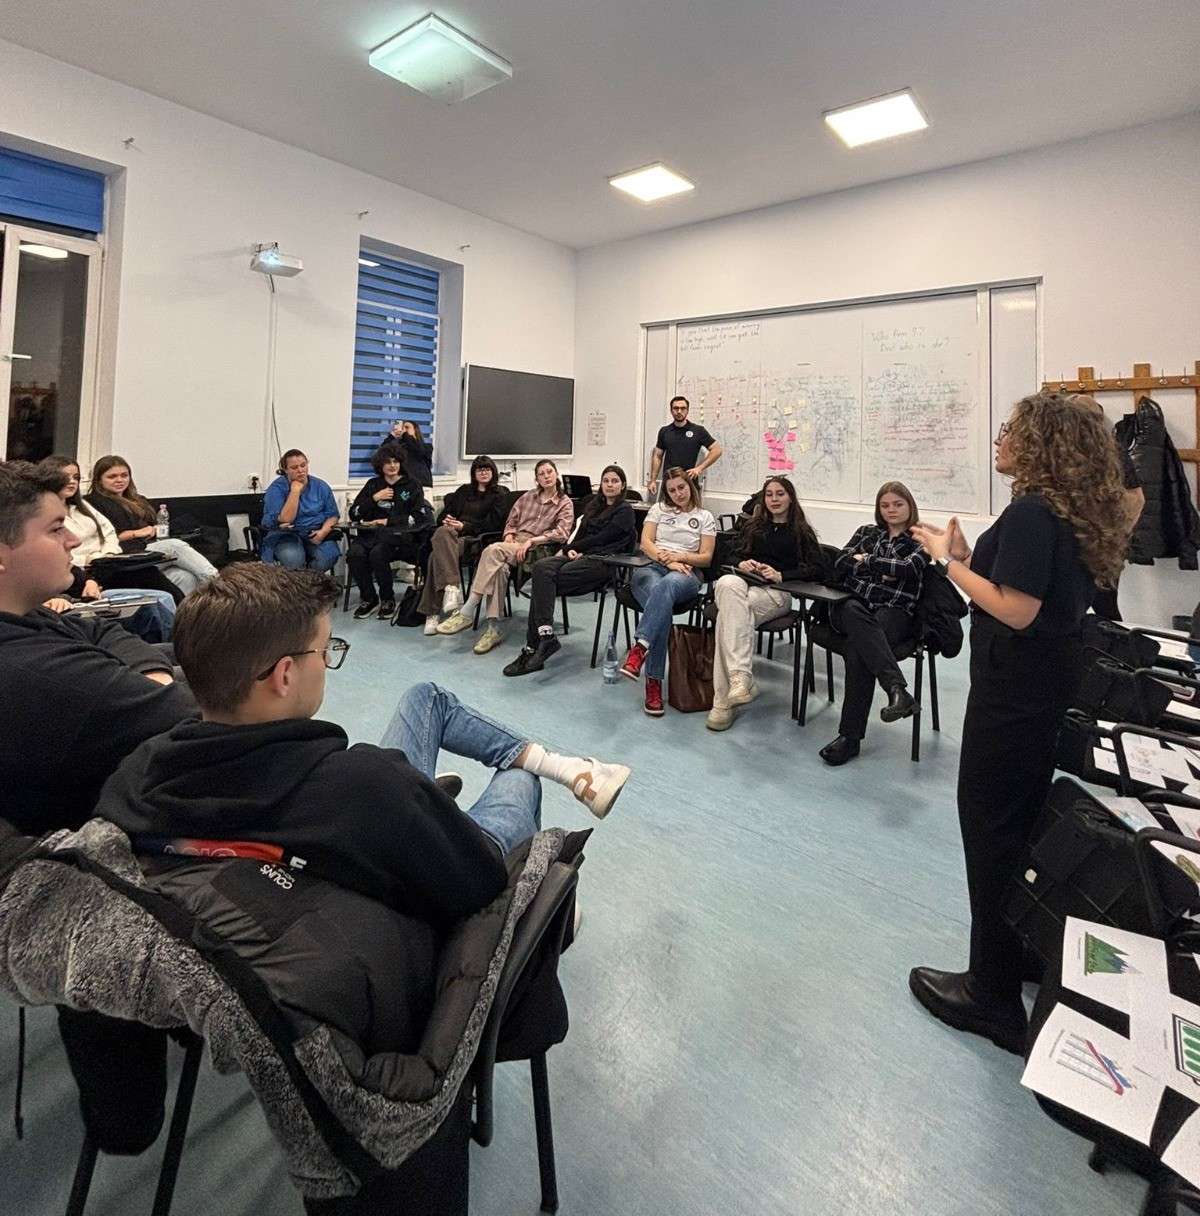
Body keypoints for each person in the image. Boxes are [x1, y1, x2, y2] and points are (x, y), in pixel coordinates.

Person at [95, 563, 632, 922]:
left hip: (311, 858)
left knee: (425, 698)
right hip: (418, 866)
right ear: (285, 675)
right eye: (324, 650)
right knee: (519, 778)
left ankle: (556, 772)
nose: (328, 662)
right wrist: (415, 803)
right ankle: (550, 832)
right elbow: (477, 885)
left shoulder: (137, 776)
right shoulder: (365, 784)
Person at [908, 392, 1129, 1054]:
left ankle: (991, 995)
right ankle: (1020, 948)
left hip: (1013, 692)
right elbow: (1021, 589)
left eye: (1011, 429)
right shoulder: (1063, 510)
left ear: (1041, 441)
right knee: (1020, 820)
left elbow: (1016, 609)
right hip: (1042, 683)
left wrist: (948, 563)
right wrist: (967, 556)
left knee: (990, 826)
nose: (1000, 438)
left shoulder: (1033, 511)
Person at [0, 460, 194, 837]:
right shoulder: (42, 669)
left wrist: (151, 674)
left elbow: (99, 629)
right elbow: (191, 715)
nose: (72, 540)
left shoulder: (27, 614)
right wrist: (155, 686)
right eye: (56, 528)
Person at [817, 481, 927, 766]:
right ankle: (896, 690)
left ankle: (850, 739)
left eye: (898, 504)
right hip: (855, 606)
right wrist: (882, 572)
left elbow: (910, 568)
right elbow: (840, 561)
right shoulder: (867, 532)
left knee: (859, 651)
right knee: (852, 610)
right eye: (885, 505)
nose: (891, 510)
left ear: (909, 506)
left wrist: (866, 560)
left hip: (895, 610)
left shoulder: (921, 539)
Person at [706, 477, 825, 730]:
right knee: (727, 583)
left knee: (728, 618)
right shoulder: (753, 526)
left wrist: (781, 575)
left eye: (780, 494)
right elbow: (728, 555)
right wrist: (742, 563)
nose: (774, 499)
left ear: (790, 497)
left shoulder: (801, 532)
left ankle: (723, 703)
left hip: (776, 593)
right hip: (744, 585)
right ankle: (740, 678)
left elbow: (818, 570)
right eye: (769, 494)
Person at [503, 465, 638, 677]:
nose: (610, 485)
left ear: (622, 486)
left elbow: (604, 538)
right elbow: (581, 534)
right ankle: (545, 638)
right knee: (540, 568)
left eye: (615, 481)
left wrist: (571, 549)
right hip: (580, 556)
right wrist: (572, 549)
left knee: (542, 584)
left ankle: (534, 646)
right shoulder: (594, 506)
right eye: (606, 481)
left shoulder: (625, 511)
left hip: (603, 561)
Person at [437, 459, 573, 655]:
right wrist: (509, 535)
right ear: (536, 478)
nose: (546, 476)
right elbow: (511, 521)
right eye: (541, 474)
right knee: (499, 569)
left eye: (549, 472)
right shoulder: (528, 497)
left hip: (538, 549)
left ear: (556, 474)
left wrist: (531, 541)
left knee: (492, 551)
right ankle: (493, 630)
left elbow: (562, 533)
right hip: (514, 544)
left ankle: (468, 609)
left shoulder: (564, 503)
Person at [40, 455, 180, 638]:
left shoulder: (82, 507)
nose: (72, 482)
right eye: (66, 477)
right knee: (160, 568)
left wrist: (108, 554)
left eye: (76, 477)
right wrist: (88, 560)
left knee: (181, 576)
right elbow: (56, 555)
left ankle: (190, 627)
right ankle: (191, 628)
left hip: (106, 563)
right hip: (86, 570)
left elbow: (109, 532)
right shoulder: (45, 514)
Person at [620, 468, 716, 716]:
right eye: (672, 490)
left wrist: (679, 558)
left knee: (667, 586)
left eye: (681, 487)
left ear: (690, 486)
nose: (678, 494)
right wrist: (668, 561)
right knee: (660, 601)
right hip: (650, 567)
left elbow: (706, 557)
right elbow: (646, 544)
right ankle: (652, 681)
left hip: (686, 574)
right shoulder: (658, 509)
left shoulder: (704, 516)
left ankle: (640, 648)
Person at [85, 455, 218, 595]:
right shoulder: (93, 502)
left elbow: (155, 524)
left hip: (151, 547)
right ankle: (219, 584)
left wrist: (155, 529)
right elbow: (105, 538)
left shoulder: (138, 500)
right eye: (112, 477)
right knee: (174, 546)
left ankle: (187, 608)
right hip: (124, 554)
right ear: (99, 480)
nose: (119, 480)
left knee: (185, 577)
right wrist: (136, 533)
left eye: (124, 475)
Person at [418, 455, 508, 634]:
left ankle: (433, 612)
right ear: (474, 473)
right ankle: (451, 588)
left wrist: (464, 526)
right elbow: (442, 516)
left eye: (487, 469)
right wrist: (447, 520)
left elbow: (495, 524)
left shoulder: (499, 494)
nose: (483, 473)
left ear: (493, 472)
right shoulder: (463, 491)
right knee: (442, 532)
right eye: (479, 470)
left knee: (435, 556)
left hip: (477, 539)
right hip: (452, 535)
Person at [346, 446, 432, 619]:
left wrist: (387, 521)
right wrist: (374, 499)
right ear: (381, 465)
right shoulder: (373, 485)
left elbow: (418, 517)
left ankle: (387, 599)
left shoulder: (412, 484)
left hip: (398, 537)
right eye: (387, 462)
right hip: (370, 535)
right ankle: (369, 598)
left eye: (395, 461)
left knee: (378, 553)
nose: (392, 466)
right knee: (354, 553)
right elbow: (354, 513)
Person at [260, 449, 341, 572]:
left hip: (314, 532)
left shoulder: (321, 486)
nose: (300, 470)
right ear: (285, 470)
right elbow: (286, 519)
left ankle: (306, 580)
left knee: (329, 556)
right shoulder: (276, 489)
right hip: (284, 535)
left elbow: (333, 515)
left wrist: (323, 532)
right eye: (294, 467)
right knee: (293, 558)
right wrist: (295, 491)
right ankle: (300, 581)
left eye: (303, 465)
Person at [647, 396, 723, 497]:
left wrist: (699, 468)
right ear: (671, 410)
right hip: (669, 483)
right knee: (666, 507)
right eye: (676, 408)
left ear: (687, 410)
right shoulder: (664, 431)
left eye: (683, 408)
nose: (679, 411)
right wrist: (653, 480)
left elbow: (717, 450)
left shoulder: (698, 431)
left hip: (689, 482)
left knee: (691, 507)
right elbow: (657, 456)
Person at [382, 419, 434, 488]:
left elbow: (418, 449)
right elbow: (383, 452)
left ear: (415, 430)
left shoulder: (427, 446)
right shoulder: (399, 447)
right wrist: (392, 436)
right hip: (404, 484)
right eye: (402, 427)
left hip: (422, 484)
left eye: (407, 427)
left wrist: (406, 435)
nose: (404, 430)